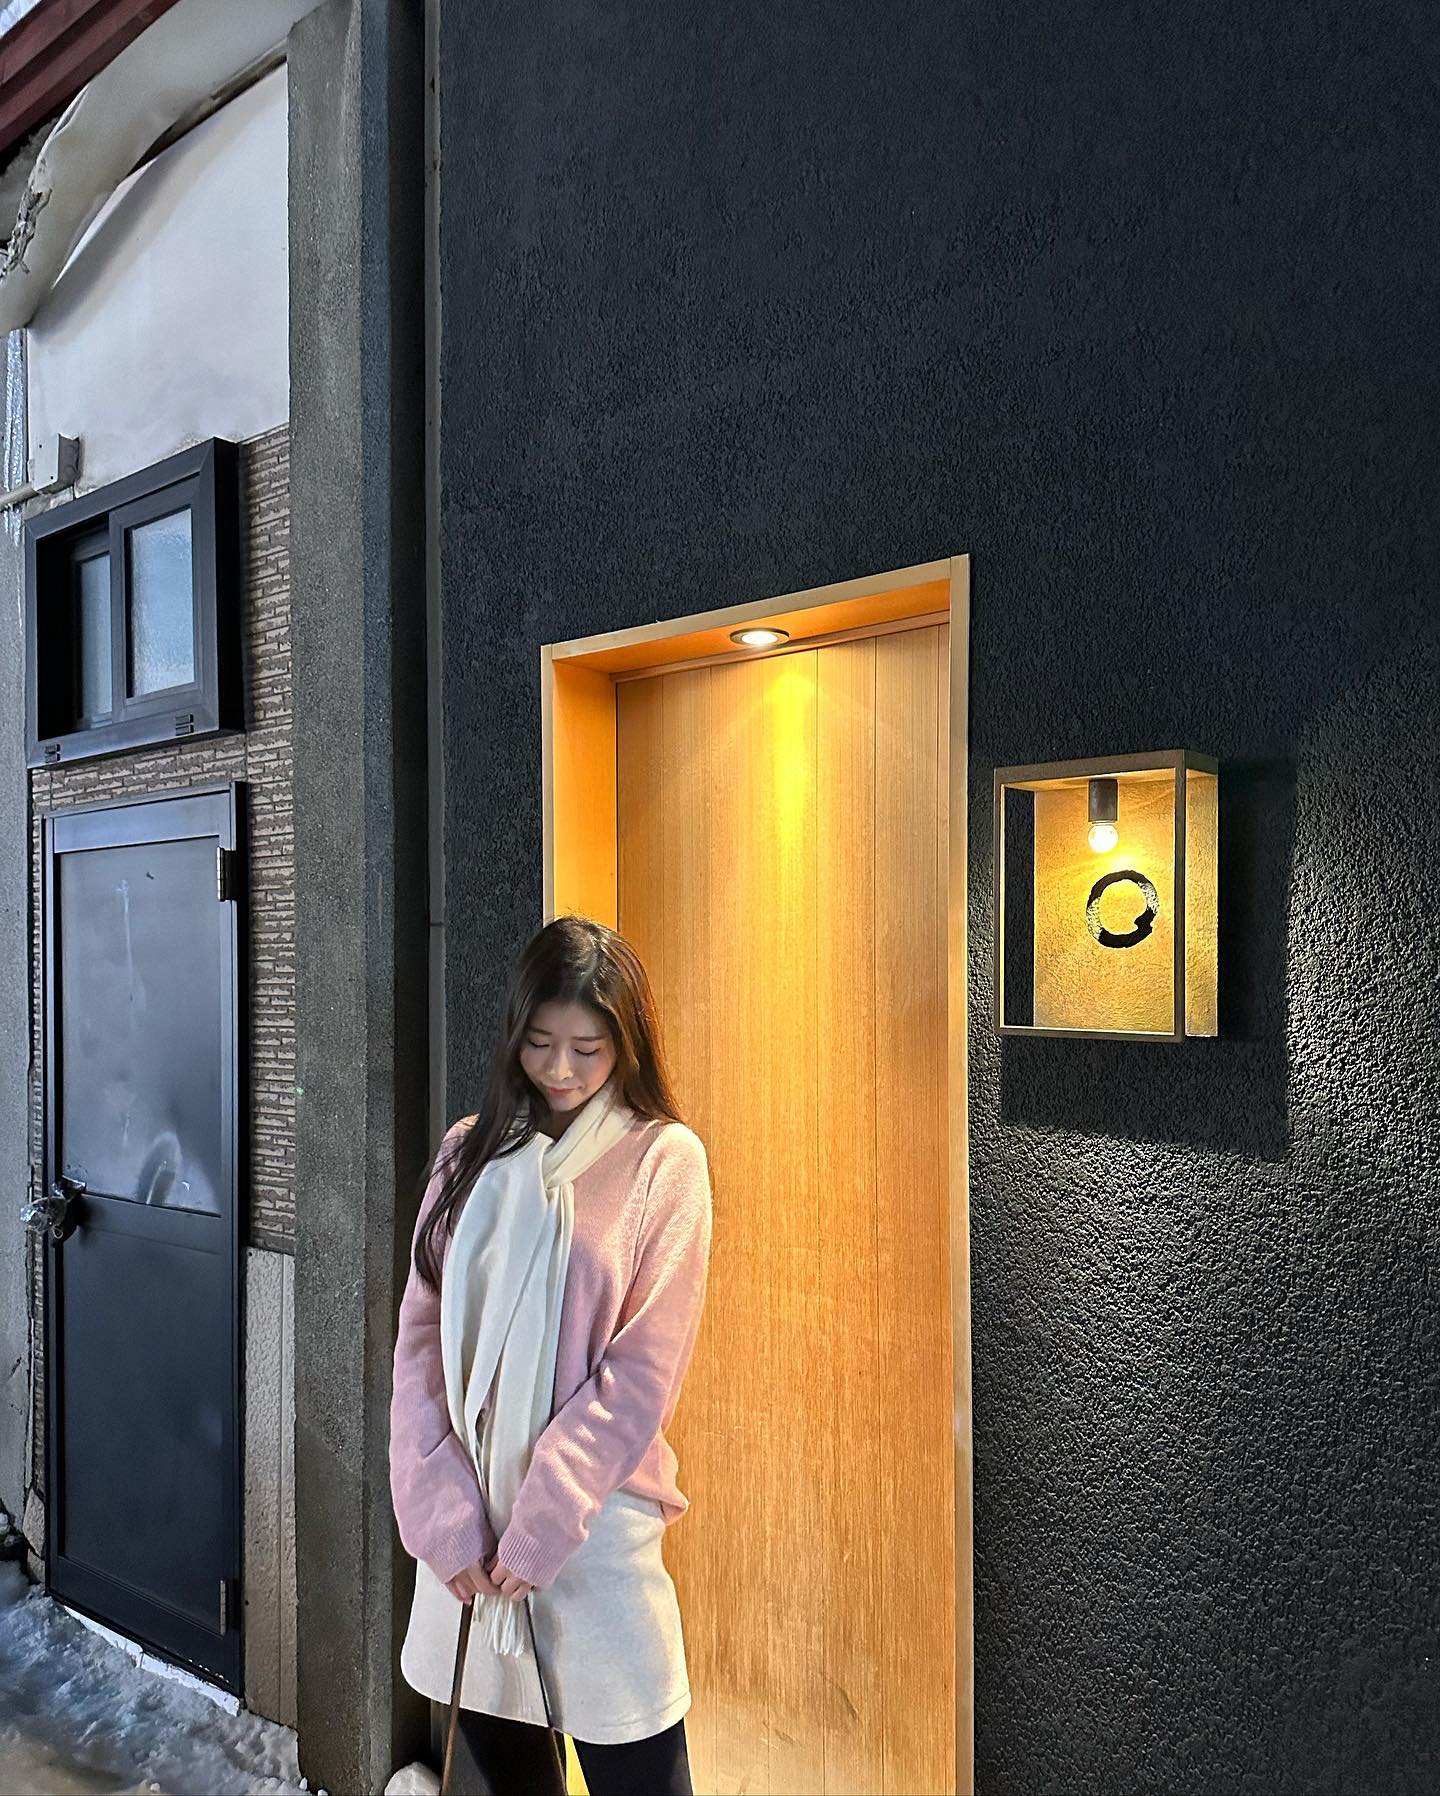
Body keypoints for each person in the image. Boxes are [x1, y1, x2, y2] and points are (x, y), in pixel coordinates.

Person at [389, 914, 712, 1796]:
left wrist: (542, 1523)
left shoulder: (663, 1163)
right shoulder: (468, 1152)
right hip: (470, 1545)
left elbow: (640, 1374)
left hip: (592, 1537)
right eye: (539, 1043)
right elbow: (419, 1346)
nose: (561, 1070)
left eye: (587, 1049)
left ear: (626, 1045)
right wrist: (441, 1514)